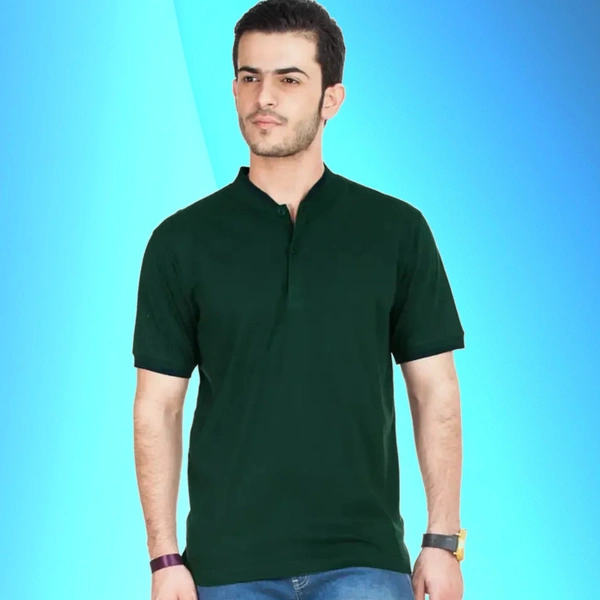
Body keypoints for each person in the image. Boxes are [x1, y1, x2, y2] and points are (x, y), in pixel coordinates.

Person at [132, 1, 467, 599]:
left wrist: (441, 542)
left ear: (331, 98)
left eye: (289, 79)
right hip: (226, 566)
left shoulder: (395, 230)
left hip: (363, 559)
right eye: (249, 76)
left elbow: (435, 391)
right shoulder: (180, 242)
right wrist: (164, 559)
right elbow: (157, 408)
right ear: (233, 88)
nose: (264, 97)